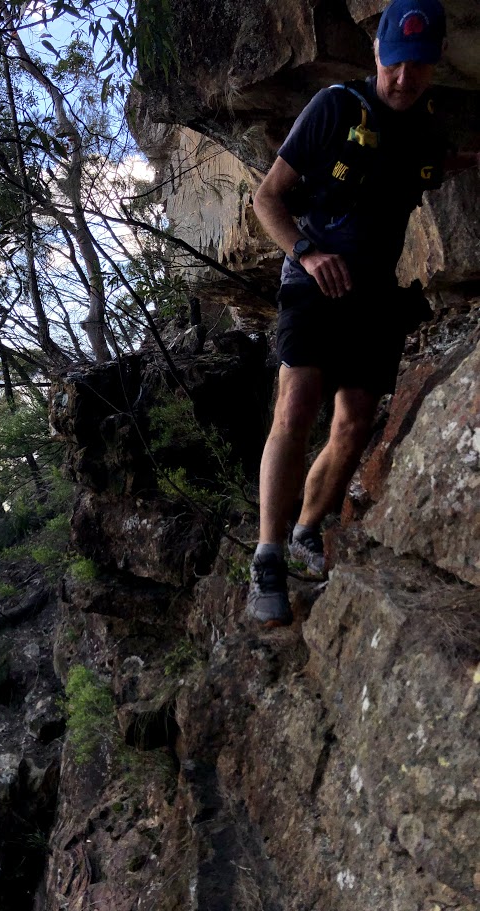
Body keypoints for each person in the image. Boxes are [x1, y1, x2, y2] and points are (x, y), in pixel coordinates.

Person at [247, 0, 467, 627]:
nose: (404, 77)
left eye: (417, 66)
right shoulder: (336, 107)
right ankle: (267, 556)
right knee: (296, 406)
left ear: (435, 63)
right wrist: (307, 253)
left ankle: (307, 529)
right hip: (313, 277)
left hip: (373, 293)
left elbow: (437, 164)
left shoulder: (427, 123)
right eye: (395, 63)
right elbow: (267, 198)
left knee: (353, 424)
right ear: (377, 53)